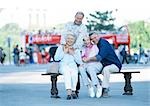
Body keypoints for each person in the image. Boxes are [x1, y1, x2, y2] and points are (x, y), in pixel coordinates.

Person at [83, 32, 122, 97]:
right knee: (88, 69)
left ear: (98, 36)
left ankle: (105, 89)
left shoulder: (104, 43)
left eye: (95, 37)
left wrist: (88, 59)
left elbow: (99, 57)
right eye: (92, 39)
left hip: (114, 64)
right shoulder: (95, 45)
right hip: (104, 65)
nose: (94, 39)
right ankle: (99, 83)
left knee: (106, 69)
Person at [61, 11, 88, 95]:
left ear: (82, 19)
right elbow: (63, 34)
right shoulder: (68, 24)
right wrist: (65, 45)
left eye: (80, 18)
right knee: (67, 67)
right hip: (66, 46)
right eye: (77, 17)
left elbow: (81, 39)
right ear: (75, 16)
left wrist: (73, 47)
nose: (78, 19)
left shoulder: (83, 27)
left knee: (76, 69)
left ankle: (75, 90)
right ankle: (70, 88)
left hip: (76, 49)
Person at [54, 33, 82, 100]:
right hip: (63, 65)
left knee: (74, 73)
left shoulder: (76, 49)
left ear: (74, 40)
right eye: (68, 38)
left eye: (72, 39)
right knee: (67, 72)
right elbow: (56, 58)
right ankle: (69, 92)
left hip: (72, 65)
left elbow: (79, 61)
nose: (70, 40)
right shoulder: (61, 47)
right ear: (66, 39)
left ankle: (73, 91)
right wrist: (64, 52)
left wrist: (73, 54)